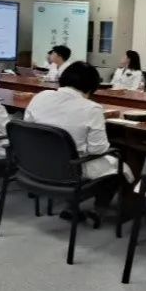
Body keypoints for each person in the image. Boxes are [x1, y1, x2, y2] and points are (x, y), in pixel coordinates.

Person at [25, 62, 132, 212]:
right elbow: (97, 150)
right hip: (71, 169)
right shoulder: (92, 108)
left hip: (36, 163)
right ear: (92, 87)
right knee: (120, 167)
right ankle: (97, 211)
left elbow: (28, 127)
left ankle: (72, 204)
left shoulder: (40, 96)